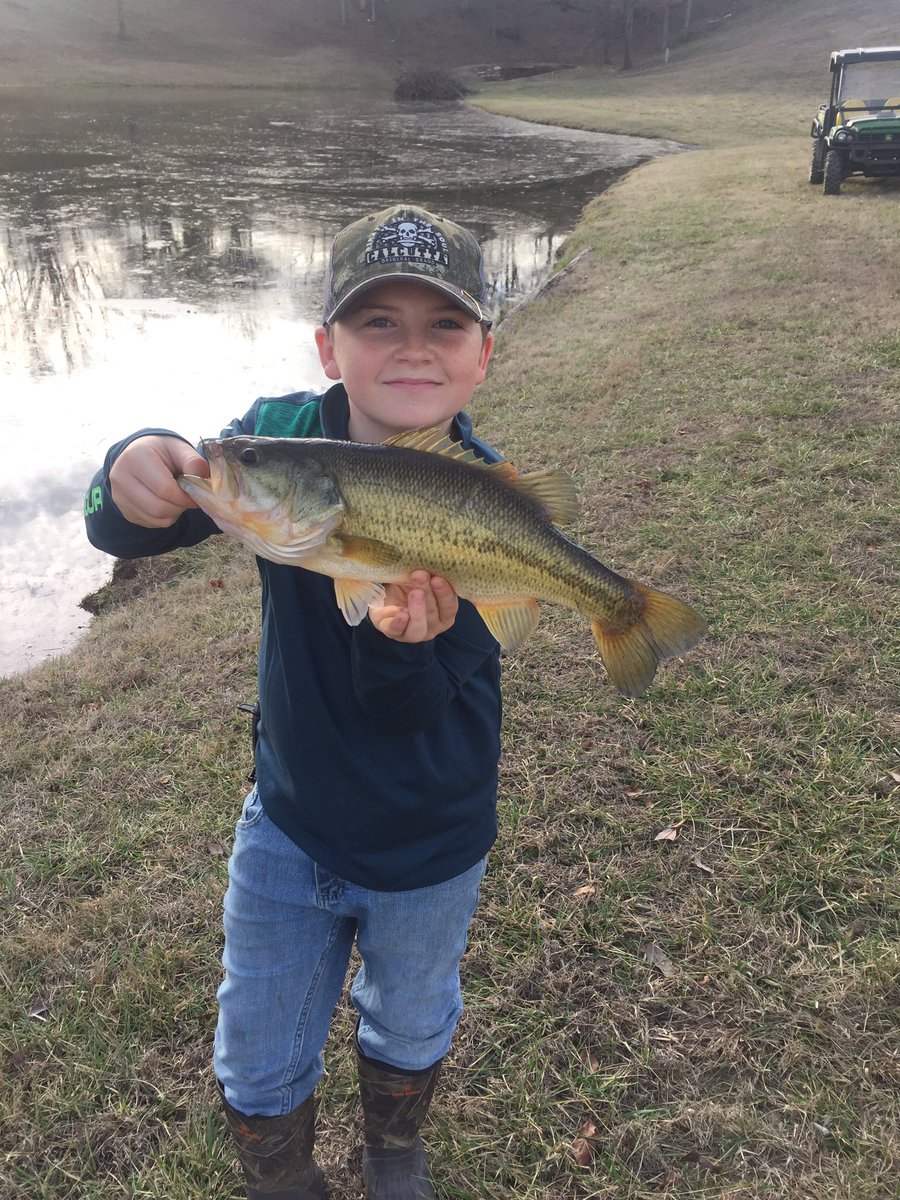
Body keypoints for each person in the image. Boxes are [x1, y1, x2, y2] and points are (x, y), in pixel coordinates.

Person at [85, 203, 502, 1200]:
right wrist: (132, 464)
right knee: (257, 1045)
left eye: (444, 324)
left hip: (432, 834)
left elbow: (409, 708)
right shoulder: (272, 443)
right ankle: (281, 1179)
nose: (411, 348)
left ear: (483, 354)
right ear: (328, 347)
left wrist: (401, 646)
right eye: (377, 322)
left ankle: (394, 1150)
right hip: (290, 820)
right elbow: (131, 526)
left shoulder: (486, 501)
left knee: (411, 1018)